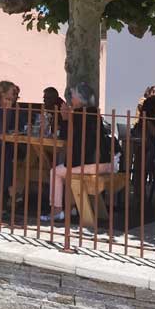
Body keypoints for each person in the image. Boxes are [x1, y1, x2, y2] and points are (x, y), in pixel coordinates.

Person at [42, 82, 118, 223]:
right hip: (104, 162)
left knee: (55, 172)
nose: (71, 98)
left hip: (89, 163)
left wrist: (65, 118)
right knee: (65, 172)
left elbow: (67, 137)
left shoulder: (79, 114)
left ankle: (57, 210)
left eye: (74, 95)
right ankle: (71, 207)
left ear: (80, 98)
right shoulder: (94, 113)